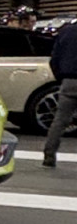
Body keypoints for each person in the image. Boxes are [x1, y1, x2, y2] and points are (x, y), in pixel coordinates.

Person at [41, 23, 77, 167]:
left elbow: (54, 58)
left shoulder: (67, 31)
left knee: (60, 120)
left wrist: (60, 77)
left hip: (69, 81)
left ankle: (49, 155)